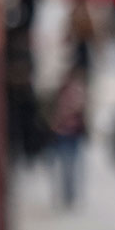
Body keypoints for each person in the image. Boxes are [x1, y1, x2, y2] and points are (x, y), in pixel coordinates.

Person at [48, 66, 89, 210]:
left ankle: (71, 196)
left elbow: (81, 112)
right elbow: (55, 114)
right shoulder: (59, 94)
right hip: (62, 135)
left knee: (73, 167)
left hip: (74, 135)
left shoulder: (78, 92)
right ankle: (67, 195)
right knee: (65, 166)